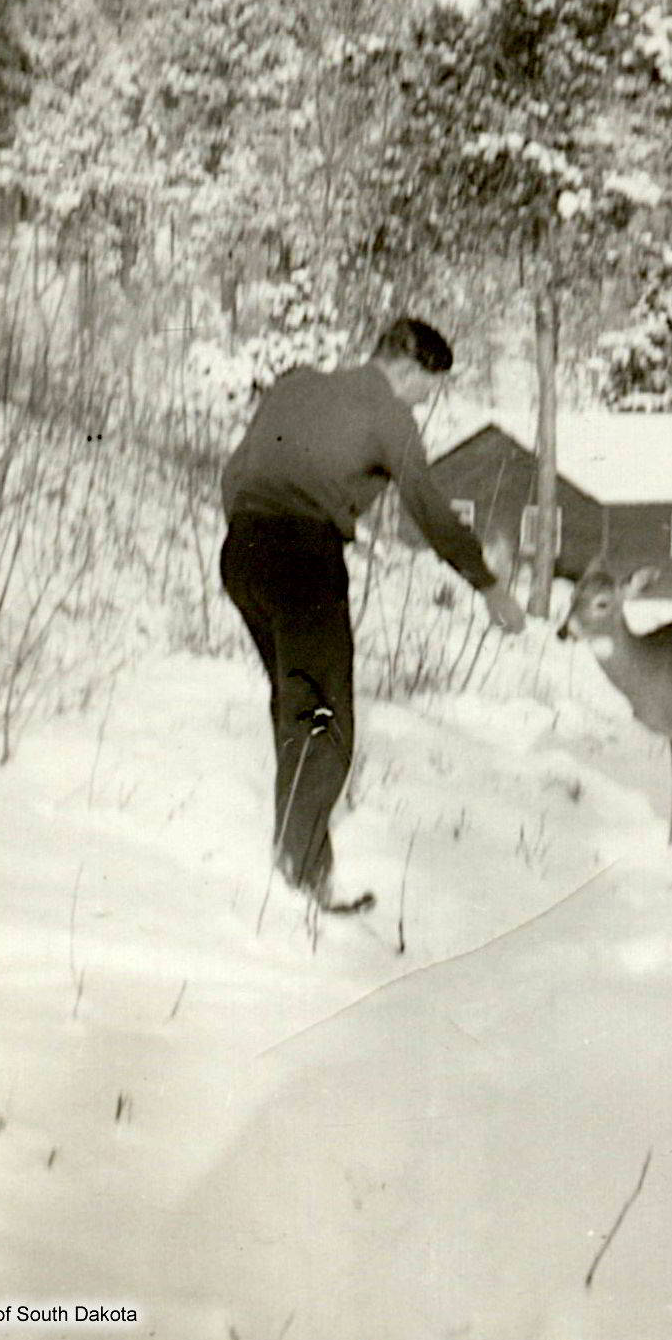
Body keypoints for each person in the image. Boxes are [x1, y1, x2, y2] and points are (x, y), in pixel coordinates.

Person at [220, 317, 526, 910]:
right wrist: (488, 585)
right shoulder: (389, 413)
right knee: (322, 719)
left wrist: (255, 529)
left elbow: (234, 475)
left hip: (241, 554)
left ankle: (298, 859)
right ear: (407, 370)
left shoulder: (296, 384)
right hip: (305, 561)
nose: (425, 401)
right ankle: (298, 880)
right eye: (427, 388)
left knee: (294, 704)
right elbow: (430, 512)